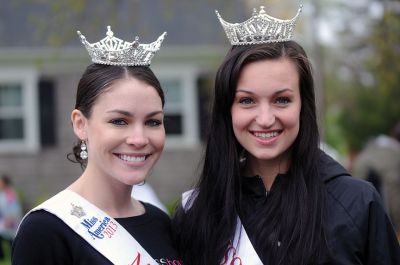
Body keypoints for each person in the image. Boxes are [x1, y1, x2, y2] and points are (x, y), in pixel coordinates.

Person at [172, 5, 400, 265]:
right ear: (227, 110)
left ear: (303, 105)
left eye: (281, 100)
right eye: (247, 101)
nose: (266, 119)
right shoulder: (197, 213)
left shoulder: (358, 204)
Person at [12, 26, 182, 265]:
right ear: (80, 124)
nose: (139, 139)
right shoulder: (46, 230)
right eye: (119, 121)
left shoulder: (161, 222)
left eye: (153, 121)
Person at [352, 122, 400, 240]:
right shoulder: (395, 154)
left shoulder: (378, 143)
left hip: (359, 180)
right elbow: (392, 187)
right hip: (378, 188)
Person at [0, 175, 23, 261]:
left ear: (5, 183)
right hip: (3, 222)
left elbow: (15, 209)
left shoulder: (10, 194)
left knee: (11, 239)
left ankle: (13, 256)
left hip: (11, 222)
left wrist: (9, 220)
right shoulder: (2, 194)